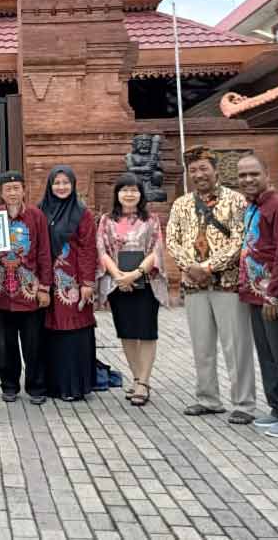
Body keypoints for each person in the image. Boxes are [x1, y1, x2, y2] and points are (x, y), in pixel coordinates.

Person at [166, 146, 254, 424]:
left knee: (236, 345)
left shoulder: (236, 201)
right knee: (202, 345)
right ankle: (208, 398)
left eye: (204, 168)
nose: (199, 174)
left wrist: (208, 267)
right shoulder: (181, 204)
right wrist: (190, 266)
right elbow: (172, 240)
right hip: (194, 285)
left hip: (227, 283)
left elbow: (239, 240)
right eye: (193, 170)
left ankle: (244, 403)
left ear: (216, 171)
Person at [236, 155, 278, 438]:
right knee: (267, 355)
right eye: (242, 175)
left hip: (272, 296)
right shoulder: (252, 206)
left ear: (267, 173)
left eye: (254, 174)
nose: (248, 179)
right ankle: (277, 408)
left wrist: (273, 295)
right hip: (254, 293)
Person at [96, 173, 168, 407]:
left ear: (140, 194)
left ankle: (144, 382)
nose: (129, 194)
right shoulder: (107, 220)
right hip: (119, 284)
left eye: (134, 190)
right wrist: (119, 276)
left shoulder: (151, 220)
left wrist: (135, 274)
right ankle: (137, 378)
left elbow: (156, 250)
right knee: (126, 332)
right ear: (117, 194)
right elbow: (102, 250)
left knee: (146, 332)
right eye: (124, 190)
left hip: (145, 283)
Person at [0, 170, 52, 404]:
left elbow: (44, 252)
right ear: (0, 192)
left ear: (24, 190)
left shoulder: (36, 216)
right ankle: (9, 385)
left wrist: (44, 287)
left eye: (17, 188)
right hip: (2, 290)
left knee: (34, 343)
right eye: (8, 189)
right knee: (4, 344)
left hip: (29, 291)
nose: (13, 193)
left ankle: (36, 387)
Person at [39, 165, 98, 401]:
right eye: (57, 182)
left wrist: (87, 283)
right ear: (50, 185)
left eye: (66, 183)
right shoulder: (40, 210)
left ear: (73, 185)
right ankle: (52, 385)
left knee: (73, 331)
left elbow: (88, 249)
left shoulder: (82, 213)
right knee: (49, 330)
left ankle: (75, 386)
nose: (61, 187)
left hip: (73, 281)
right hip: (47, 281)